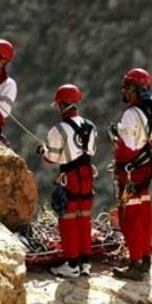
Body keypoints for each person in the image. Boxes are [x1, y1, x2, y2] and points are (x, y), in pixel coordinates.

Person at [37, 84, 98, 278]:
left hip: (69, 177)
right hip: (87, 174)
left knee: (68, 219)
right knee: (85, 217)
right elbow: (91, 151)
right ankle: (85, 263)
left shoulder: (58, 130)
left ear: (62, 104)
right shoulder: (91, 126)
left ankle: (71, 264)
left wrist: (43, 151)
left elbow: (52, 158)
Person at [110, 68, 152, 281]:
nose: (124, 91)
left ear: (135, 90)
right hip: (145, 169)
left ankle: (135, 263)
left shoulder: (131, 115)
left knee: (130, 218)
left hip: (130, 173)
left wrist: (115, 137)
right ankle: (145, 258)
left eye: (127, 87)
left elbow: (127, 149)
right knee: (145, 214)